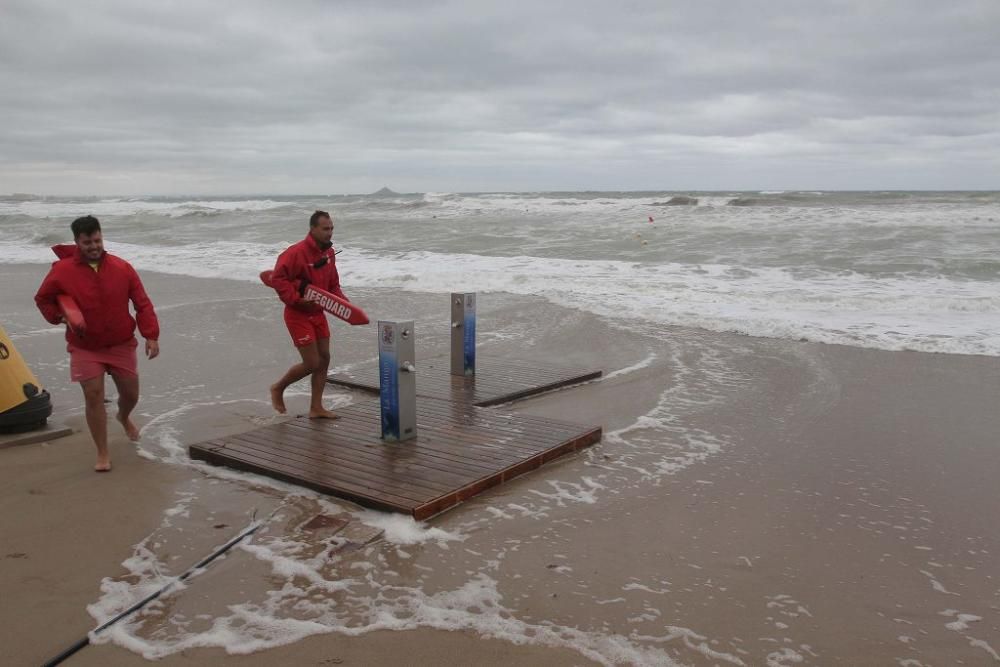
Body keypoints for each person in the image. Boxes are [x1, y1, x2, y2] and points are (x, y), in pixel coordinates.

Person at [34, 215, 160, 472]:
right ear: (77, 242)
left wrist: (151, 335)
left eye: (97, 240)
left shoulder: (122, 268)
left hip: (121, 343)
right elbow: (43, 299)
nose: (93, 246)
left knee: (130, 394)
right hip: (85, 346)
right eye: (87, 242)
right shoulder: (62, 271)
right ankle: (102, 453)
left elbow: (142, 303)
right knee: (93, 396)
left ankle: (123, 417)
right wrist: (60, 317)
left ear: (101, 237)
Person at [268, 210, 350, 419]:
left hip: (318, 312)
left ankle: (316, 408)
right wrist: (296, 299)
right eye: (325, 229)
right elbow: (277, 278)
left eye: (331, 228)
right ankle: (278, 388)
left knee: (324, 359)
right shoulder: (296, 252)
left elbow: (333, 285)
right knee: (312, 362)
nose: (329, 233)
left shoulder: (329, 254)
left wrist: (345, 305)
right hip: (297, 314)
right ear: (312, 229)